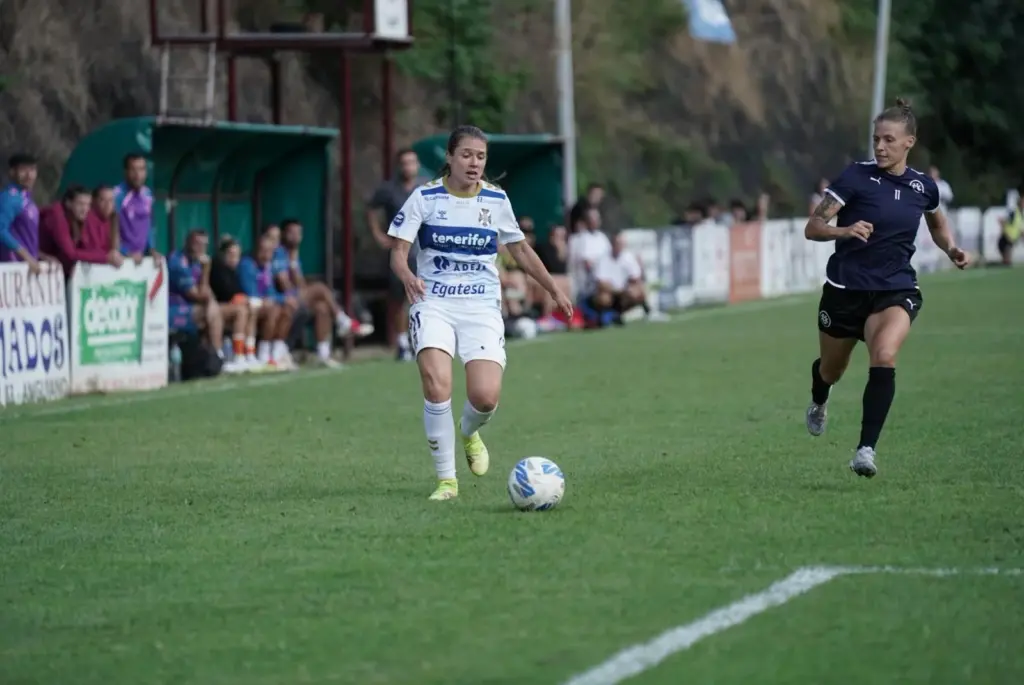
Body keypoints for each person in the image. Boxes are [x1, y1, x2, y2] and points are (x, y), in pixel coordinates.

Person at [387, 125, 573, 501]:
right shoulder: (425, 197)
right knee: (437, 383)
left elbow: (519, 251)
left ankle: (469, 431)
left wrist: (553, 287)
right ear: (450, 158)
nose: (474, 163)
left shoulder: (495, 200)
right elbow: (397, 250)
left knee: (485, 396)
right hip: (433, 302)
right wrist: (407, 274)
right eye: (467, 155)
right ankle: (447, 481)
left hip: (481, 306)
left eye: (481, 156)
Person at [803, 97, 969, 478]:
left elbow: (937, 223)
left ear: (909, 142)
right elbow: (813, 227)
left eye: (889, 140)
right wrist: (844, 230)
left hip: (894, 288)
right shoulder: (855, 177)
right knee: (831, 370)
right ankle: (819, 399)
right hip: (845, 289)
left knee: (884, 356)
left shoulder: (923, 186)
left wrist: (951, 249)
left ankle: (865, 450)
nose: (880, 146)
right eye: (876, 139)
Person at [276, 218, 371, 368]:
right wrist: (299, 290)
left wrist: (294, 264)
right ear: (283, 234)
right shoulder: (279, 252)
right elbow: (286, 286)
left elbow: (300, 284)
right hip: (283, 300)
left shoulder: (293, 255)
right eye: (291, 233)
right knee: (320, 288)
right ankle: (343, 320)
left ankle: (323, 353)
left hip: (296, 298)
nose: (296, 236)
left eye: (298, 233)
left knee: (322, 307)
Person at [367, 148, 431, 361]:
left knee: (423, 297)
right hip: (400, 250)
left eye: (412, 162)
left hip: (423, 250)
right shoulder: (389, 190)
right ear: (399, 166)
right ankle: (402, 343)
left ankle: (423, 341)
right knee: (399, 298)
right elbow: (371, 209)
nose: (408, 167)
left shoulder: (426, 186)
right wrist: (378, 235)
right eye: (404, 163)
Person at [167, 229, 247, 374]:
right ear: (188, 243)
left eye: (204, 245)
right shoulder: (178, 262)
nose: (201, 249)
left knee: (239, 310)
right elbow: (198, 296)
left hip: (198, 308)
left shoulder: (197, 262)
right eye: (197, 244)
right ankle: (217, 356)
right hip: (175, 310)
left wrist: (210, 300)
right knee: (212, 311)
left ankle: (239, 357)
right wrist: (206, 270)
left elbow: (207, 294)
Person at [38, 185, 122, 278]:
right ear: (68, 203)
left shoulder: (79, 218)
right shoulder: (57, 216)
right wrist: (106, 258)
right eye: (80, 204)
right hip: (31, 263)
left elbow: (87, 249)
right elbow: (71, 254)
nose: (85, 209)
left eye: (88, 205)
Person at [240, 234, 295, 370]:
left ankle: (276, 352)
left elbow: (270, 293)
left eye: (270, 252)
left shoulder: (267, 267)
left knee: (287, 308)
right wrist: (275, 300)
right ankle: (263, 353)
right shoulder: (247, 265)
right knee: (274, 309)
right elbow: (251, 293)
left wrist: (284, 299)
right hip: (249, 304)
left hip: (265, 304)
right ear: (256, 250)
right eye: (263, 251)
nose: (266, 255)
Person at [210, 236, 257, 368]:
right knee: (241, 310)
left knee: (251, 308)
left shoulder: (234, 271)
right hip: (216, 307)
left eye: (237, 255)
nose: (234, 258)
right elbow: (225, 293)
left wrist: (244, 299)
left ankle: (250, 353)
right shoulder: (217, 268)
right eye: (231, 254)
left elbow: (238, 292)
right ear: (222, 254)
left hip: (229, 306)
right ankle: (238, 355)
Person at [114, 153, 162, 266]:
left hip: (143, 259)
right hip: (122, 260)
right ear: (125, 172)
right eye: (133, 170)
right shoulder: (117, 195)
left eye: (141, 169)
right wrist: (126, 252)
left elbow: (149, 225)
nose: (137, 175)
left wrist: (152, 249)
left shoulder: (148, 194)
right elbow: (111, 229)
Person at [0, 153, 42, 273]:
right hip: (12, 270)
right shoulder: (10, 197)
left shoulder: (26, 198)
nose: (29, 175)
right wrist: (26, 256)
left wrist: (41, 256)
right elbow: (1, 230)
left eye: (32, 170)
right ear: (12, 172)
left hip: (26, 269)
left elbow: (25, 237)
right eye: (23, 170)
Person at [996, 192, 1022, 266]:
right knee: (1007, 261)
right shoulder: (1013, 213)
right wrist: (1007, 234)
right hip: (1006, 239)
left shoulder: (1020, 214)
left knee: (1007, 262)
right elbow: (1003, 222)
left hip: (1011, 240)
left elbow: (1019, 228)